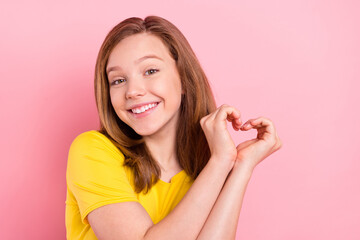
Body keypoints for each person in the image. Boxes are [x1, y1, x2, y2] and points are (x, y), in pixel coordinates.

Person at [65, 16, 282, 240]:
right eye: (118, 80)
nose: (133, 91)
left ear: (184, 81)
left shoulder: (207, 171)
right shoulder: (91, 151)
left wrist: (240, 166)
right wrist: (220, 162)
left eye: (150, 71)